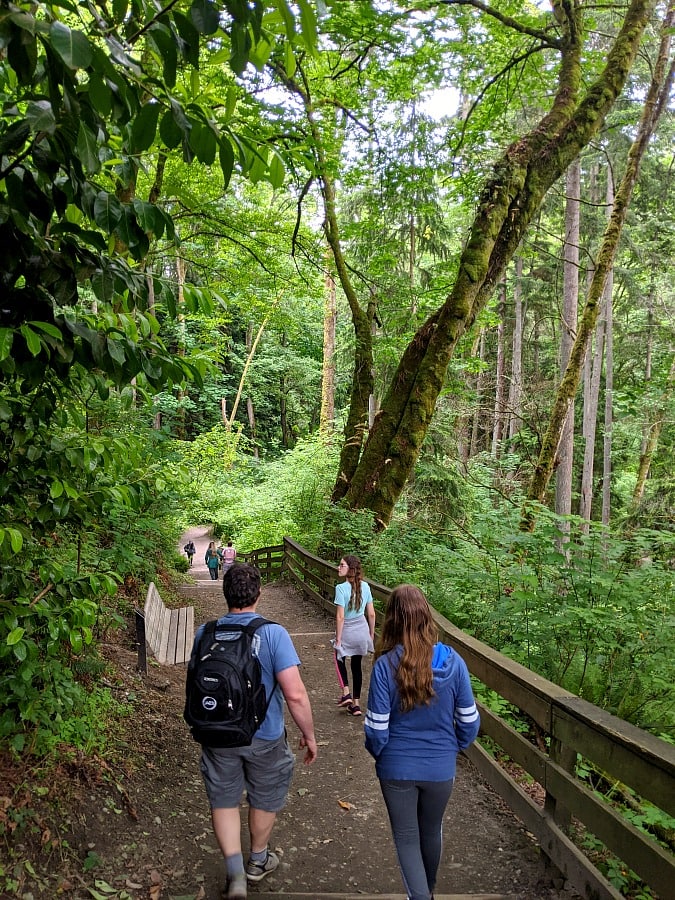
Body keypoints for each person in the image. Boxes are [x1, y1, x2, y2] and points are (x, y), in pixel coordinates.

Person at [189, 563, 317, 900]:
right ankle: (257, 861)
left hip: (217, 734)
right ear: (258, 594)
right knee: (264, 796)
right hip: (265, 737)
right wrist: (309, 734)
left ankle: (235, 875)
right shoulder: (273, 634)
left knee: (224, 799)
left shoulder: (205, 632)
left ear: (226, 594)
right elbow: (295, 693)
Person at [364, 584, 480, 900]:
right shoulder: (454, 663)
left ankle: (420, 896)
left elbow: (376, 730)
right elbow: (470, 722)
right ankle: (425, 890)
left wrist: (383, 756)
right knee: (431, 830)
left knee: (406, 836)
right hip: (441, 768)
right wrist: (452, 748)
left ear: (393, 620)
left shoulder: (385, 666)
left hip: (396, 766)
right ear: (427, 617)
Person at [332, 554, 376, 717]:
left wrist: (338, 638)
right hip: (362, 629)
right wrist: (371, 634)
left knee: (338, 657)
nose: (338, 567)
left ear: (349, 569)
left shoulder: (340, 588)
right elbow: (371, 614)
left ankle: (346, 693)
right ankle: (356, 705)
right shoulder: (366, 587)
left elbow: (340, 617)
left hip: (348, 629)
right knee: (356, 666)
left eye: (341, 565)